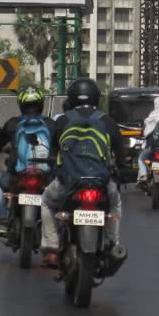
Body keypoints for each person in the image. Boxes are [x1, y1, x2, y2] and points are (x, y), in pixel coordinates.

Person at [40, 77, 127, 269]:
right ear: (96, 98)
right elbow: (120, 152)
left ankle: (52, 248)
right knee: (115, 203)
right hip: (100, 183)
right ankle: (112, 243)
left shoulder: (62, 121)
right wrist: (121, 167)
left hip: (69, 182)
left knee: (46, 201)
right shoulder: (107, 121)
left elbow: (53, 153)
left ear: (71, 98)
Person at [0, 86, 53, 235]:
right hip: (44, 172)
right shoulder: (50, 124)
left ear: (21, 104)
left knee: (1, 186)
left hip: (18, 171)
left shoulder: (13, 123)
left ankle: (3, 217)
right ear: (41, 103)